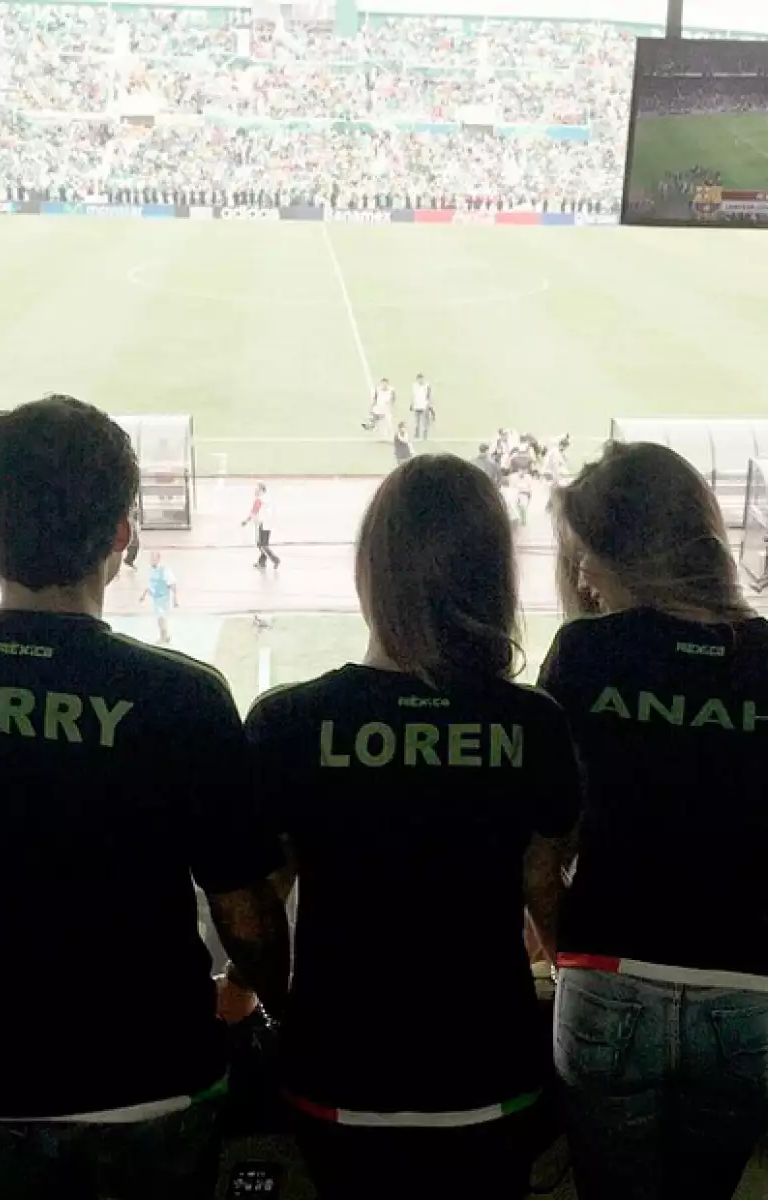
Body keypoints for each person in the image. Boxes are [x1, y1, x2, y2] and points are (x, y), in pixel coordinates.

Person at [0, 396, 291, 1200]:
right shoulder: (184, 695)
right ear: (121, 534)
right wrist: (258, 995)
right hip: (158, 1077)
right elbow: (245, 915)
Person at [244, 455, 582, 1200]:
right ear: (492, 577)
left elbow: (259, 907)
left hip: (336, 1066)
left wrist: (275, 1006)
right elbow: (544, 892)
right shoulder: (534, 723)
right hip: (489, 1066)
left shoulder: (286, 722)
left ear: (370, 571)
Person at [539, 442, 768, 1200]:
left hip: (606, 977)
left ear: (632, 554)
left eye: (588, 557)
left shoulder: (582, 654)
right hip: (746, 989)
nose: (582, 579)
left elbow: (548, 841)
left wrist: (557, 945)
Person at [140, 549, 178, 644]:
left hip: (164, 598)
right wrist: (143, 596)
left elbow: (172, 583)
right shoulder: (151, 571)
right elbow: (149, 586)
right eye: (151, 558)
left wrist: (175, 598)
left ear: (158, 559)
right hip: (155, 599)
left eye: (154, 558)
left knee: (162, 617)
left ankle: (163, 637)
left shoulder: (164, 570)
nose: (152, 560)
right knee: (160, 618)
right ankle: (165, 636)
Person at [242, 482, 281, 571]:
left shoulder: (259, 500)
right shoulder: (267, 499)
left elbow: (253, 512)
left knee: (262, 545)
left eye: (257, 489)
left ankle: (275, 560)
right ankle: (261, 563)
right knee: (264, 544)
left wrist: (246, 521)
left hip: (263, 523)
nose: (255, 491)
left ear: (262, 490)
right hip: (269, 523)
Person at [411, 373, 434, 441]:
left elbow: (429, 396)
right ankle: (417, 436)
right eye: (419, 379)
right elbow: (413, 395)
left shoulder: (427, 386)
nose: (420, 380)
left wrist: (429, 405)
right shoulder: (414, 385)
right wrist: (412, 404)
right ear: (417, 379)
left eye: (421, 379)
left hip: (424, 406)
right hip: (416, 406)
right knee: (416, 423)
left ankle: (425, 437)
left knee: (424, 422)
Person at [123, 501, 141, 572]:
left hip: (131, 528)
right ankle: (128, 560)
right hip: (129, 528)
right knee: (134, 545)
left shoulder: (134, 514)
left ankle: (129, 560)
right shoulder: (129, 514)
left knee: (135, 545)